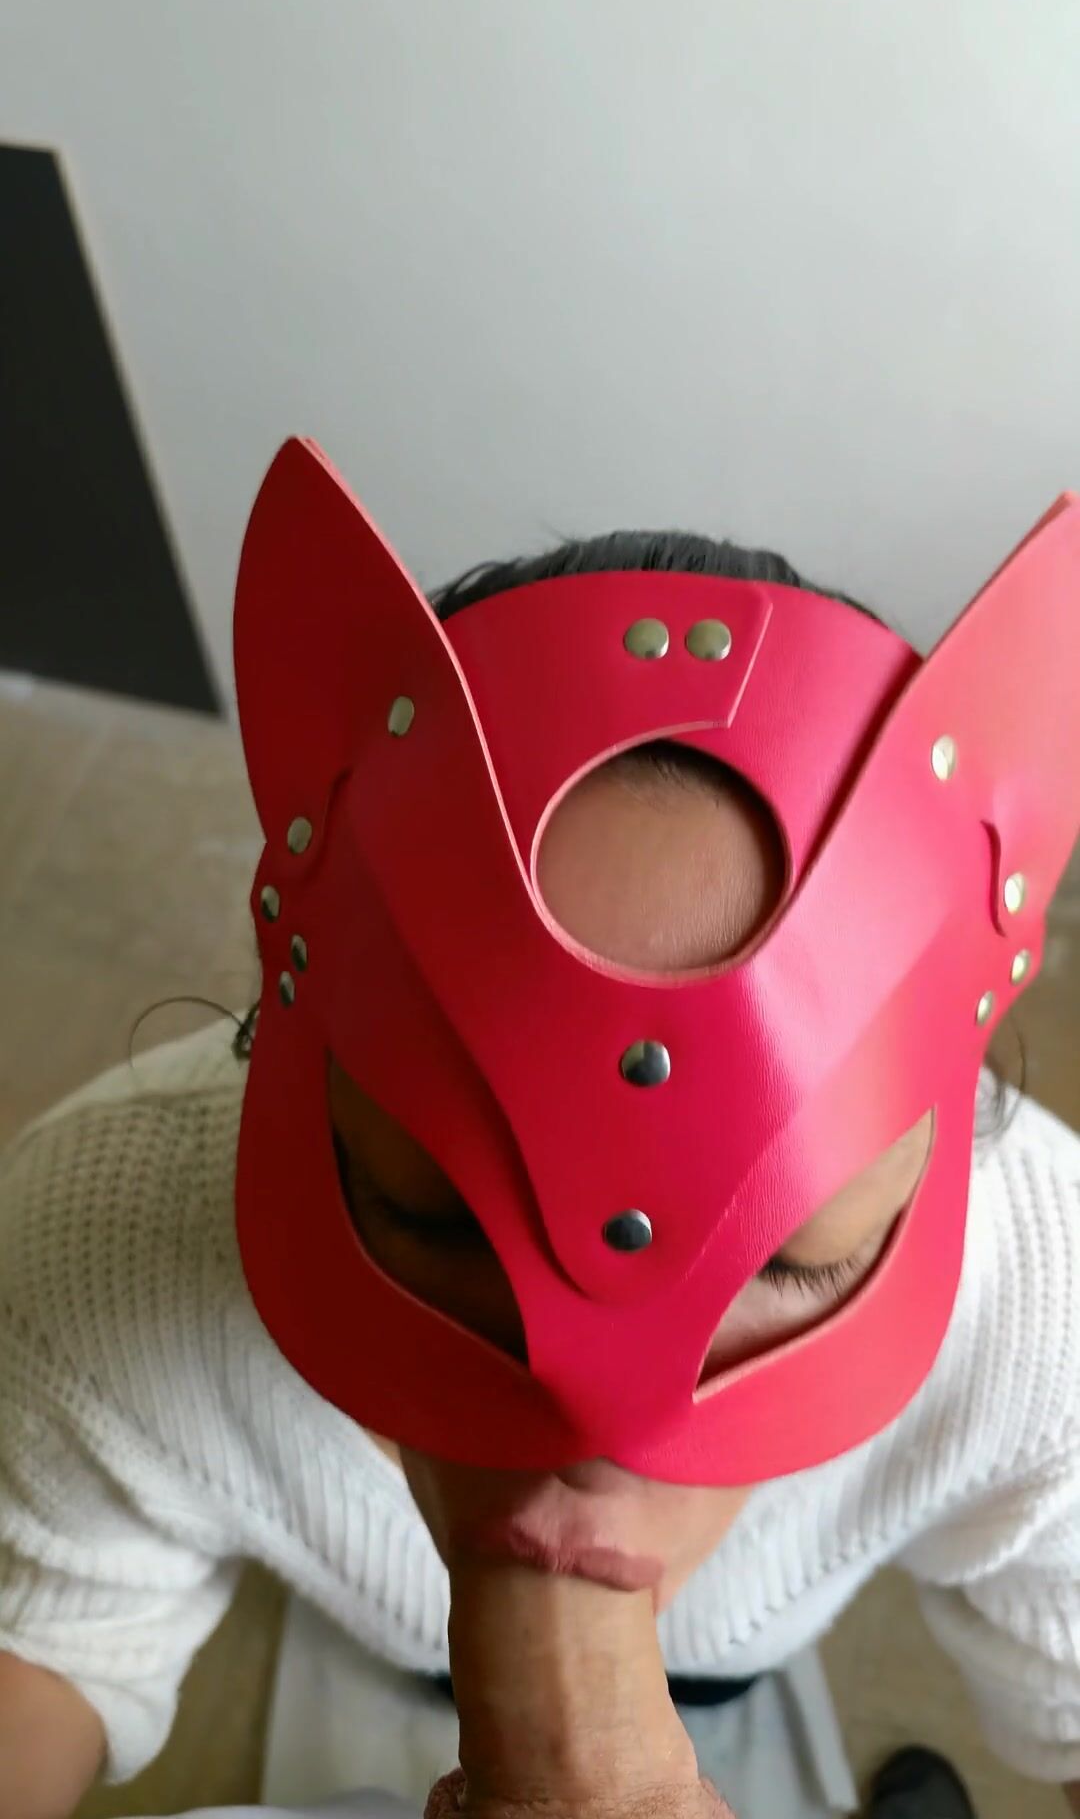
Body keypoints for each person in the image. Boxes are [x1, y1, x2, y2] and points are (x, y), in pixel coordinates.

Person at [2, 440, 1079, 1819]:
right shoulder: (95, 1235)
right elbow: (47, 1621)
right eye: (434, 1218)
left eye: (791, 1260)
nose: (591, 1436)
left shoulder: (1046, 1312)